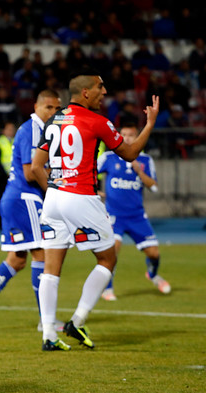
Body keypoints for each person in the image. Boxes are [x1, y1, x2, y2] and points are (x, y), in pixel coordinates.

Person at [30, 68, 159, 351]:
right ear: (85, 92)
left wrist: (54, 191)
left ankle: (48, 334)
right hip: (81, 198)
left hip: (53, 198)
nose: (104, 92)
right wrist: (149, 124)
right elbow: (130, 152)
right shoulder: (97, 121)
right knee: (107, 259)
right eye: (100, 87)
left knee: (51, 269)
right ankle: (77, 320)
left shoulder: (55, 119)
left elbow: (36, 165)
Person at [0, 90, 61, 333]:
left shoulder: (38, 130)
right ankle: (45, 321)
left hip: (16, 199)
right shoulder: (32, 130)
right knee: (43, 256)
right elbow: (30, 172)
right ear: (36, 106)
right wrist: (55, 189)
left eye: (57, 109)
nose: (53, 113)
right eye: (48, 107)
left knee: (17, 260)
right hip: (25, 199)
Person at [98, 123, 171, 301]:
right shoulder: (109, 157)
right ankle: (107, 288)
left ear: (138, 137)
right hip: (114, 215)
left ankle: (153, 275)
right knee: (113, 250)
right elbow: (90, 174)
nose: (127, 138)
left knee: (154, 253)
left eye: (131, 135)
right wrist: (95, 191)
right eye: (123, 134)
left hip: (137, 215)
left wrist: (139, 172)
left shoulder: (145, 160)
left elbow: (153, 188)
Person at [0, 121, 15, 229]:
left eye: (12, 129)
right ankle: (2, 224)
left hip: (15, 178)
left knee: (14, 201)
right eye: (9, 129)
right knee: (2, 201)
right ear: (3, 131)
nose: (11, 131)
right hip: (2, 177)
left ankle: (14, 222)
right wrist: (5, 174)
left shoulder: (16, 141)